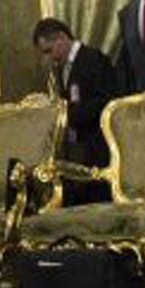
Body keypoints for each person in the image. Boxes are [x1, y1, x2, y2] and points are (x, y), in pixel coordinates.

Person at [33, 17, 117, 178]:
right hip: (81, 149)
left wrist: (66, 114)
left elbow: (106, 102)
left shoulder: (93, 59)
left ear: (61, 37)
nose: (49, 58)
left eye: (49, 50)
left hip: (101, 148)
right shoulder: (62, 68)